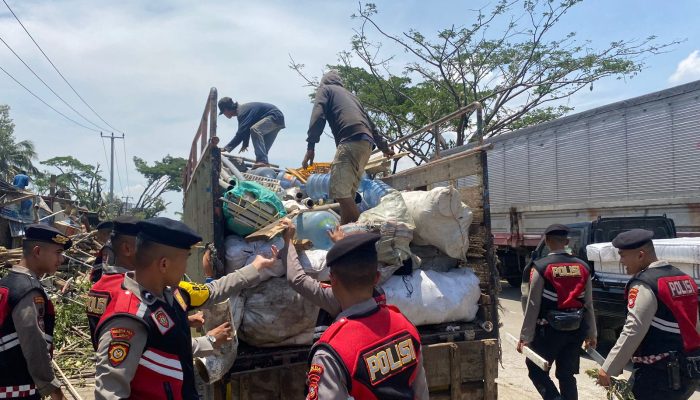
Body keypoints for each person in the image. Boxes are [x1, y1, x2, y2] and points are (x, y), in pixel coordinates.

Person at [93, 217, 277, 400]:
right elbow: (109, 393)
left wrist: (255, 267)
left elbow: (211, 293)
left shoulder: (171, 295)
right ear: (164, 264)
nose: (186, 268)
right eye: (184, 260)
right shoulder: (129, 318)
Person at [278, 224, 428, 399]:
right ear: (377, 278)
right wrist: (343, 245)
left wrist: (287, 242)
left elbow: (297, 279)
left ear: (333, 280)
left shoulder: (332, 353)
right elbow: (421, 393)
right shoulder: (406, 328)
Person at [86, 216, 229, 357]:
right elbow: (155, 345)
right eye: (143, 243)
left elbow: (146, 330)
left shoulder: (99, 287)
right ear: (127, 248)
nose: (147, 248)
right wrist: (210, 340)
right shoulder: (129, 295)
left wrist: (183, 321)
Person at [597, 229, 700, 400]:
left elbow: (633, 329)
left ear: (640, 255)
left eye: (623, 255)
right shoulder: (685, 279)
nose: (621, 261)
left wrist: (608, 368)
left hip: (658, 374)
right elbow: (695, 324)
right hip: (688, 369)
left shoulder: (645, 284)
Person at [302, 70, 395, 224]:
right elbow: (371, 125)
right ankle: (347, 234)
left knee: (339, 191)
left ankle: (361, 231)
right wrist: (384, 148)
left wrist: (311, 146)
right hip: (366, 145)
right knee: (347, 196)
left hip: (350, 140)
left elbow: (318, 116)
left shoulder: (325, 89)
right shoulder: (352, 96)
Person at [518, 224, 596, 400]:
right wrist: (592, 333)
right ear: (567, 241)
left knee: (536, 370)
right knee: (567, 375)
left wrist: (525, 337)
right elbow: (588, 304)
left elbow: (532, 303)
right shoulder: (583, 267)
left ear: (546, 241)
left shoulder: (541, 267)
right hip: (576, 331)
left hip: (548, 333)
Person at [0, 224, 72, 400]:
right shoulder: (28, 290)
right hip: (17, 390)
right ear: (38, 251)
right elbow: (35, 345)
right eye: (58, 252)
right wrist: (54, 390)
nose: (61, 259)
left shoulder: (7, 282)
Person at [218, 97, 285, 167]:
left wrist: (226, 148)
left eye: (223, 113)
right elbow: (245, 130)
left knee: (255, 129)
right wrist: (245, 144)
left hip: (274, 116)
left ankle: (262, 161)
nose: (225, 115)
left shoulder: (242, 112)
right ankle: (263, 163)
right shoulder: (242, 111)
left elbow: (240, 133)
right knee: (263, 149)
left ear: (226, 110)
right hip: (278, 119)